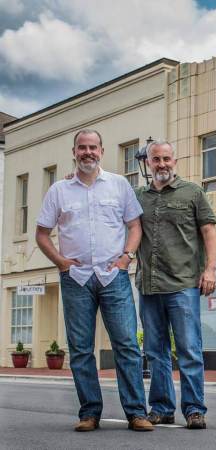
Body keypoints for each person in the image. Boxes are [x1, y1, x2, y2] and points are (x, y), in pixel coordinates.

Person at [35, 129, 153, 432]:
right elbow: (42, 233)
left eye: (93, 147)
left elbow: (135, 226)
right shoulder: (59, 191)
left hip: (113, 276)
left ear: (101, 150)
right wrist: (61, 262)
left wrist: (126, 257)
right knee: (81, 349)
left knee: (126, 344)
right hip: (76, 278)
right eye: (82, 148)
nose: (88, 152)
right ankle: (89, 412)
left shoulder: (119, 185)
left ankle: (136, 412)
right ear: (74, 152)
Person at [136, 139, 216, 430]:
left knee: (189, 349)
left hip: (183, 283)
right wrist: (73, 179)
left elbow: (208, 230)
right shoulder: (138, 197)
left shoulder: (193, 192)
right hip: (149, 285)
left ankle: (195, 409)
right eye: (156, 159)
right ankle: (161, 408)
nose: (162, 164)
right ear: (148, 162)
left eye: (166, 159)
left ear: (175, 160)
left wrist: (210, 269)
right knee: (155, 351)